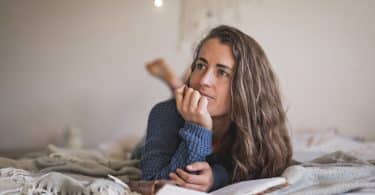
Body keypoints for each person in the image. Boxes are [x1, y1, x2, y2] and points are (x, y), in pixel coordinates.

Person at [140, 25, 292, 192]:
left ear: (246, 86)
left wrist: (217, 177)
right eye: (200, 65)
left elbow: (261, 169)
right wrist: (197, 128)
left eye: (222, 72)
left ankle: (176, 85)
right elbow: (157, 183)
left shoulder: (256, 123)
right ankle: (176, 86)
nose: (204, 80)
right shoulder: (163, 114)